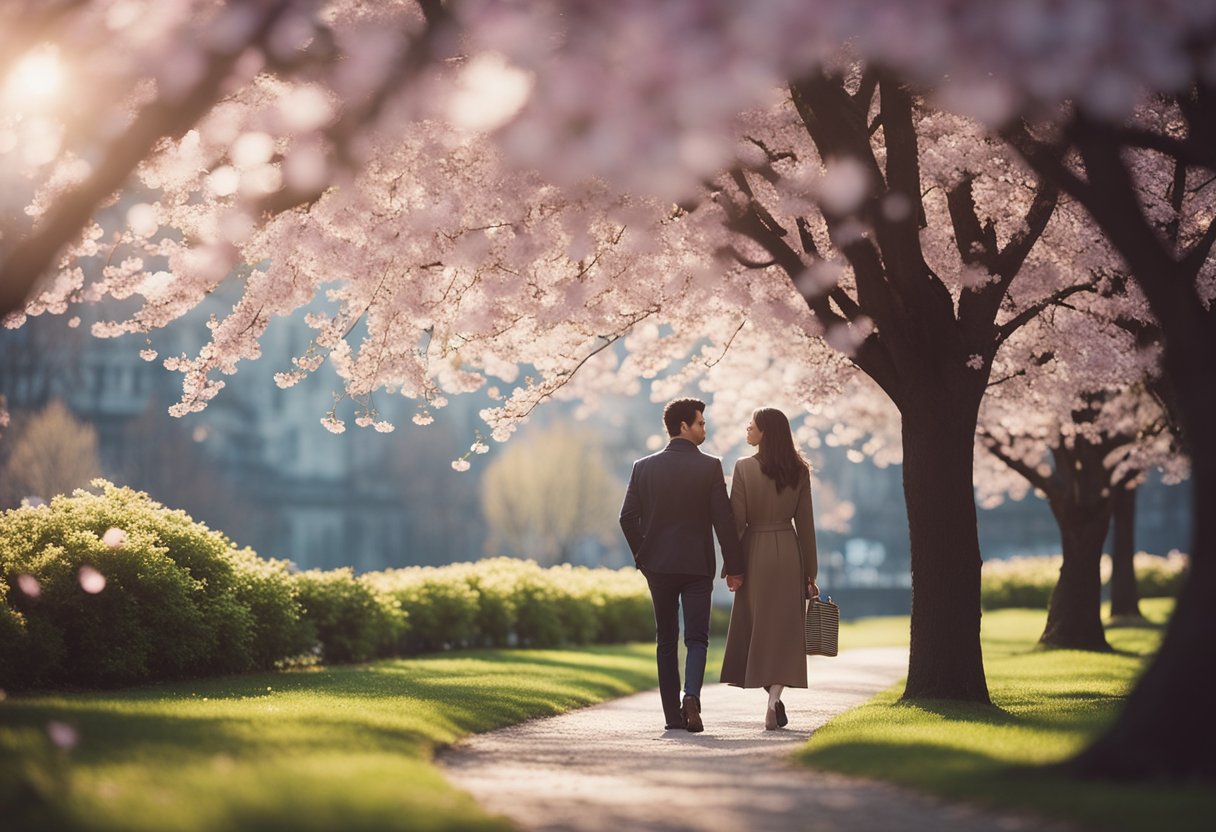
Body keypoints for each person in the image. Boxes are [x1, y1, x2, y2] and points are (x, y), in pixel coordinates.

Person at [620, 398, 745, 733]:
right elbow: (724, 522)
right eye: (701, 423)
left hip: (658, 566)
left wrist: (643, 556)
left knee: (665, 639)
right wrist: (735, 566)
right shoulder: (710, 467)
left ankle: (672, 717)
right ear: (683, 426)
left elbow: (627, 517)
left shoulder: (642, 467)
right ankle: (691, 696)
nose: (705, 428)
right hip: (696, 566)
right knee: (697, 638)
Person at [719, 407, 819, 730]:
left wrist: (731, 565)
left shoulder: (744, 468)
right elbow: (806, 525)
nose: (747, 428)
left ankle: (770, 695)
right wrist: (810, 572)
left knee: (757, 627)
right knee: (785, 632)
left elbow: (735, 521)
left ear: (765, 433)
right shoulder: (799, 471)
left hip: (755, 552)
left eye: (752, 425)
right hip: (789, 553)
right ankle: (773, 701)